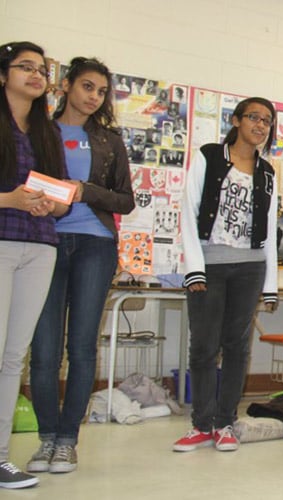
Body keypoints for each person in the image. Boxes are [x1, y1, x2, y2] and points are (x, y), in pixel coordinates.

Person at [27, 57, 135, 475]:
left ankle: (67, 441)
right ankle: (46, 438)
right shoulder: (39, 131)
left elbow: (124, 200)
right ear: (66, 86)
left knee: (82, 347)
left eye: (101, 91)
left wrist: (84, 190)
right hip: (45, 243)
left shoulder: (109, 141)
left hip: (96, 245)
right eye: (87, 87)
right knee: (44, 350)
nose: (94, 97)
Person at [174, 97, 278, 453]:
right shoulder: (208, 156)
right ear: (236, 121)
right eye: (253, 117)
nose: (260, 125)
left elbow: (269, 229)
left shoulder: (268, 172)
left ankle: (225, 423)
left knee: (236, 346)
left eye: (266, 120)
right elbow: (188, 211)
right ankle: (201, 424)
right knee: (204, 346)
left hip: (250, 267)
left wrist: (270, 286)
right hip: (210, 265)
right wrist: (194, 269)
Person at [0, 40, 69, 489]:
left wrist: (52, 205)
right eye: (25, 67)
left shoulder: (47, 132)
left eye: (41, 70)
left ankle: (1, 457)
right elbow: (13, 196)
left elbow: (61, 198)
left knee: (13, 358)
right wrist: (11, 199)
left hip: (41, 246)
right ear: (3, 74)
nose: (35, 75)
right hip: (3, 240)